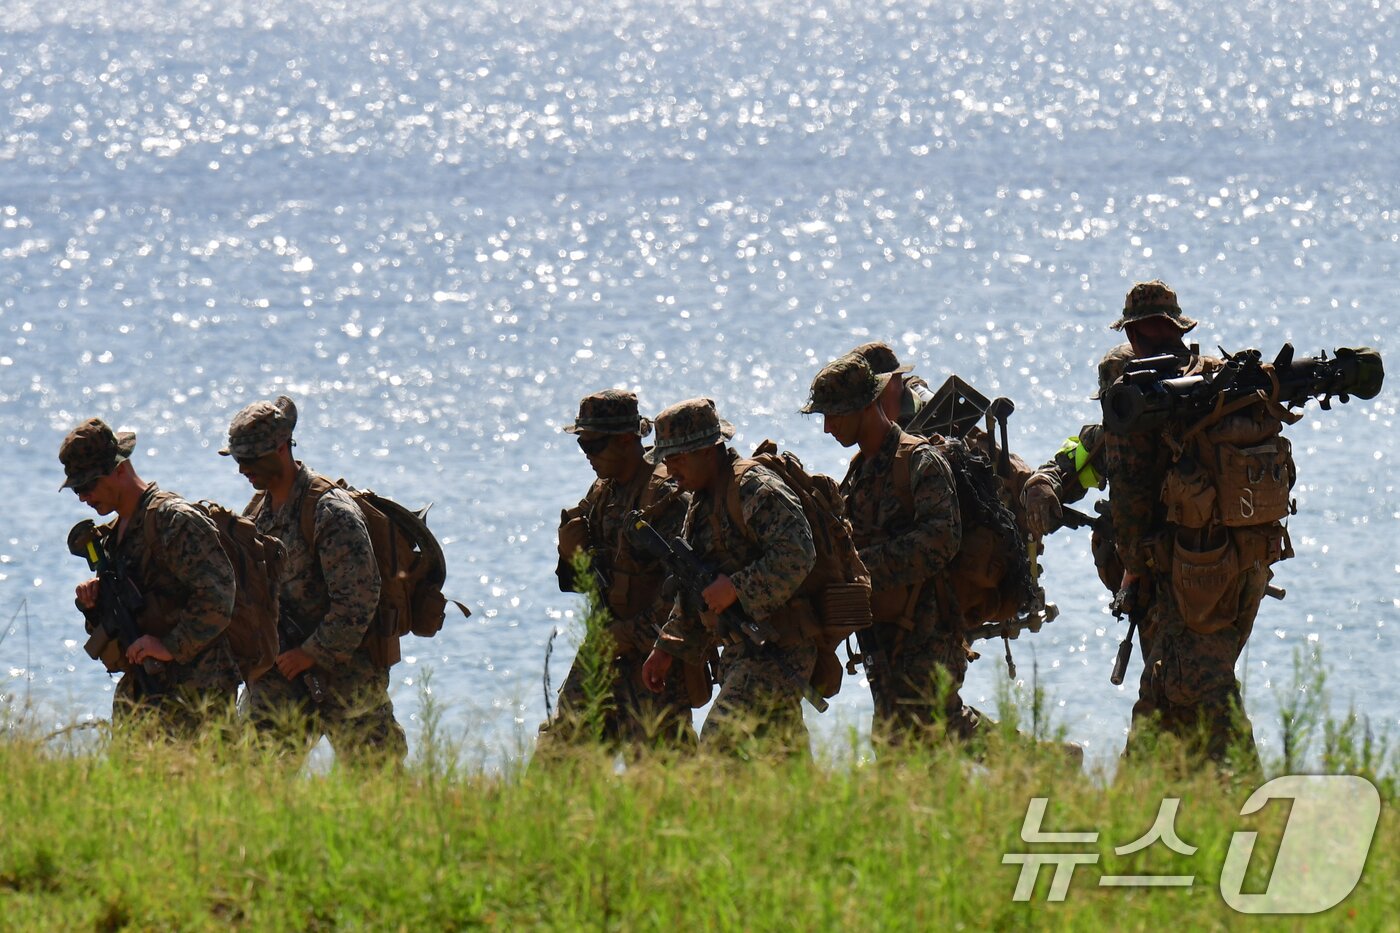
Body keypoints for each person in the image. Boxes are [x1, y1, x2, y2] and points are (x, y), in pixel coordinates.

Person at [1065, 281, 1268, 769]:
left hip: (1186, 576)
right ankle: (1157, 814)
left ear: (1133, 332)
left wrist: (1132, 568)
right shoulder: (1211, 384)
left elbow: (1132, 498)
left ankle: (1254, 812)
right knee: (1181, 695)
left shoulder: (1135, 390)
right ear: (1177, 328)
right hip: (1242, 566)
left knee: (1195, 696)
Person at [804, 354, 980, 744]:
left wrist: (862, 571)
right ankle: (1041, 760)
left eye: (834, 415)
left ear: (866, 406)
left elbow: (941, 540)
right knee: (939, 730)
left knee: (911, 743)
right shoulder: (858, 471)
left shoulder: (918, 461)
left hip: (926, 632)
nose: (828, 427)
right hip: (882, 635)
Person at [222, 396, 407, 766]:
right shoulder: (257, 513)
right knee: (252, 784)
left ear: (281, 448)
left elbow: (360, 599)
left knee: (380, 787)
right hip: (280, 681)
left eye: (252, 459)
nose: (243, 469)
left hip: (347, 675)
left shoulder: (329, 511)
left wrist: (311, 653)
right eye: (238, 460)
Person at [640, 398, 818, 757]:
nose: (669, 469)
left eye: (677, 458)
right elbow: (696, 583)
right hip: (742, 652)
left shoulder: (753, 487)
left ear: (707, 450)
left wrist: (737, 588)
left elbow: (799, 553)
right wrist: (667, 647)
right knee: (782, 761)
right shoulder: (703, 500)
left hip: (778, 645)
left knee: (721, 746)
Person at [61, 417, 239, 735]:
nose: (83, 497)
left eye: (88, 485)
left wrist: (170, 646)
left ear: (118, 468)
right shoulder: (114, 536)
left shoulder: (174, 521)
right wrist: (94, 607)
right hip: (140, 694)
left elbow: (220, 597)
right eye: (76, 489)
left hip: (196, 698)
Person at [545, 389, 698, 750]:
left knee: (662, 770)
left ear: (628, 440)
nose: (587, 456)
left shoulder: (666, 497)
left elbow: (689, 590)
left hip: (654, 656)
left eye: (594, 446)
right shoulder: (602, 492)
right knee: (558, 759)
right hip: (604, 649)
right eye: (583, 446)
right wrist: (571, 554)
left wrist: (631, 633)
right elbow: (586, 580)